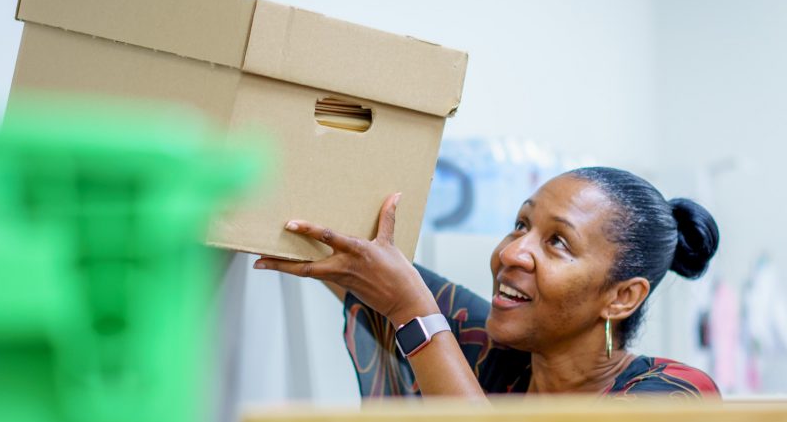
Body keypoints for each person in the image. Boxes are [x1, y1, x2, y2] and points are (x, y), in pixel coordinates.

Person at [254, 167, 720, 400]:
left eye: (558, 242)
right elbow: (360, 263)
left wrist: (412, 313)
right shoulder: (492, 352)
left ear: (622, 297)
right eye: (520, 225)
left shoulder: (672, 395)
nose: (512, 252)